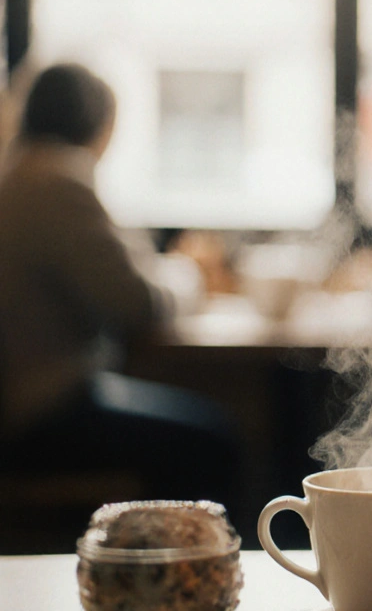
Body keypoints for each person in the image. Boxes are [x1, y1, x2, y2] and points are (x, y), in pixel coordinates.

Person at [0, 63, 240, 516]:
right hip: (44, 410)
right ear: (99, 125)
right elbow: (139, 302)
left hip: (25, 400)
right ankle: (186, 572)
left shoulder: (20, 175)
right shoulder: (57, 182)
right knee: (214, 439)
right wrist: (192, 272)